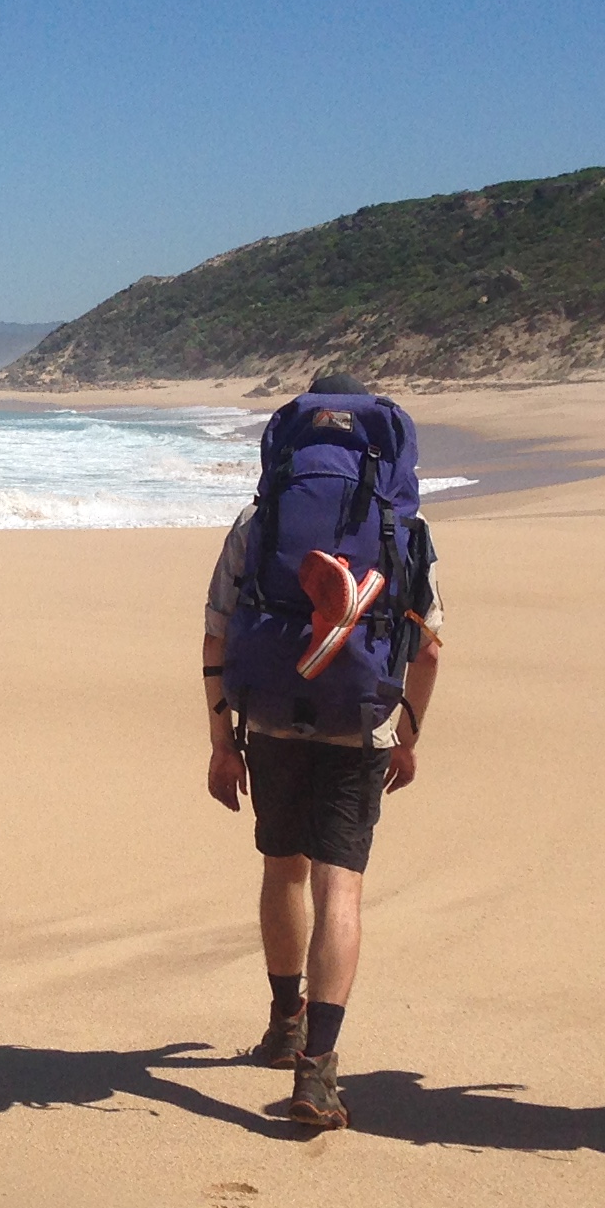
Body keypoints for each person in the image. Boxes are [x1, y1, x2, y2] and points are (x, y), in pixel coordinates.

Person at [200, 386, 445, 1132]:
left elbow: (216, 636)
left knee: (284, 868)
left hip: (272, 712)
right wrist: (408, 733)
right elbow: (428, 648)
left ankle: (283, 1023)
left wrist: (220, 743)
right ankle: (318, 1072)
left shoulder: (258, 518)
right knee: (343, 890)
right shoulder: (403, 525)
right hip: (359, 716)